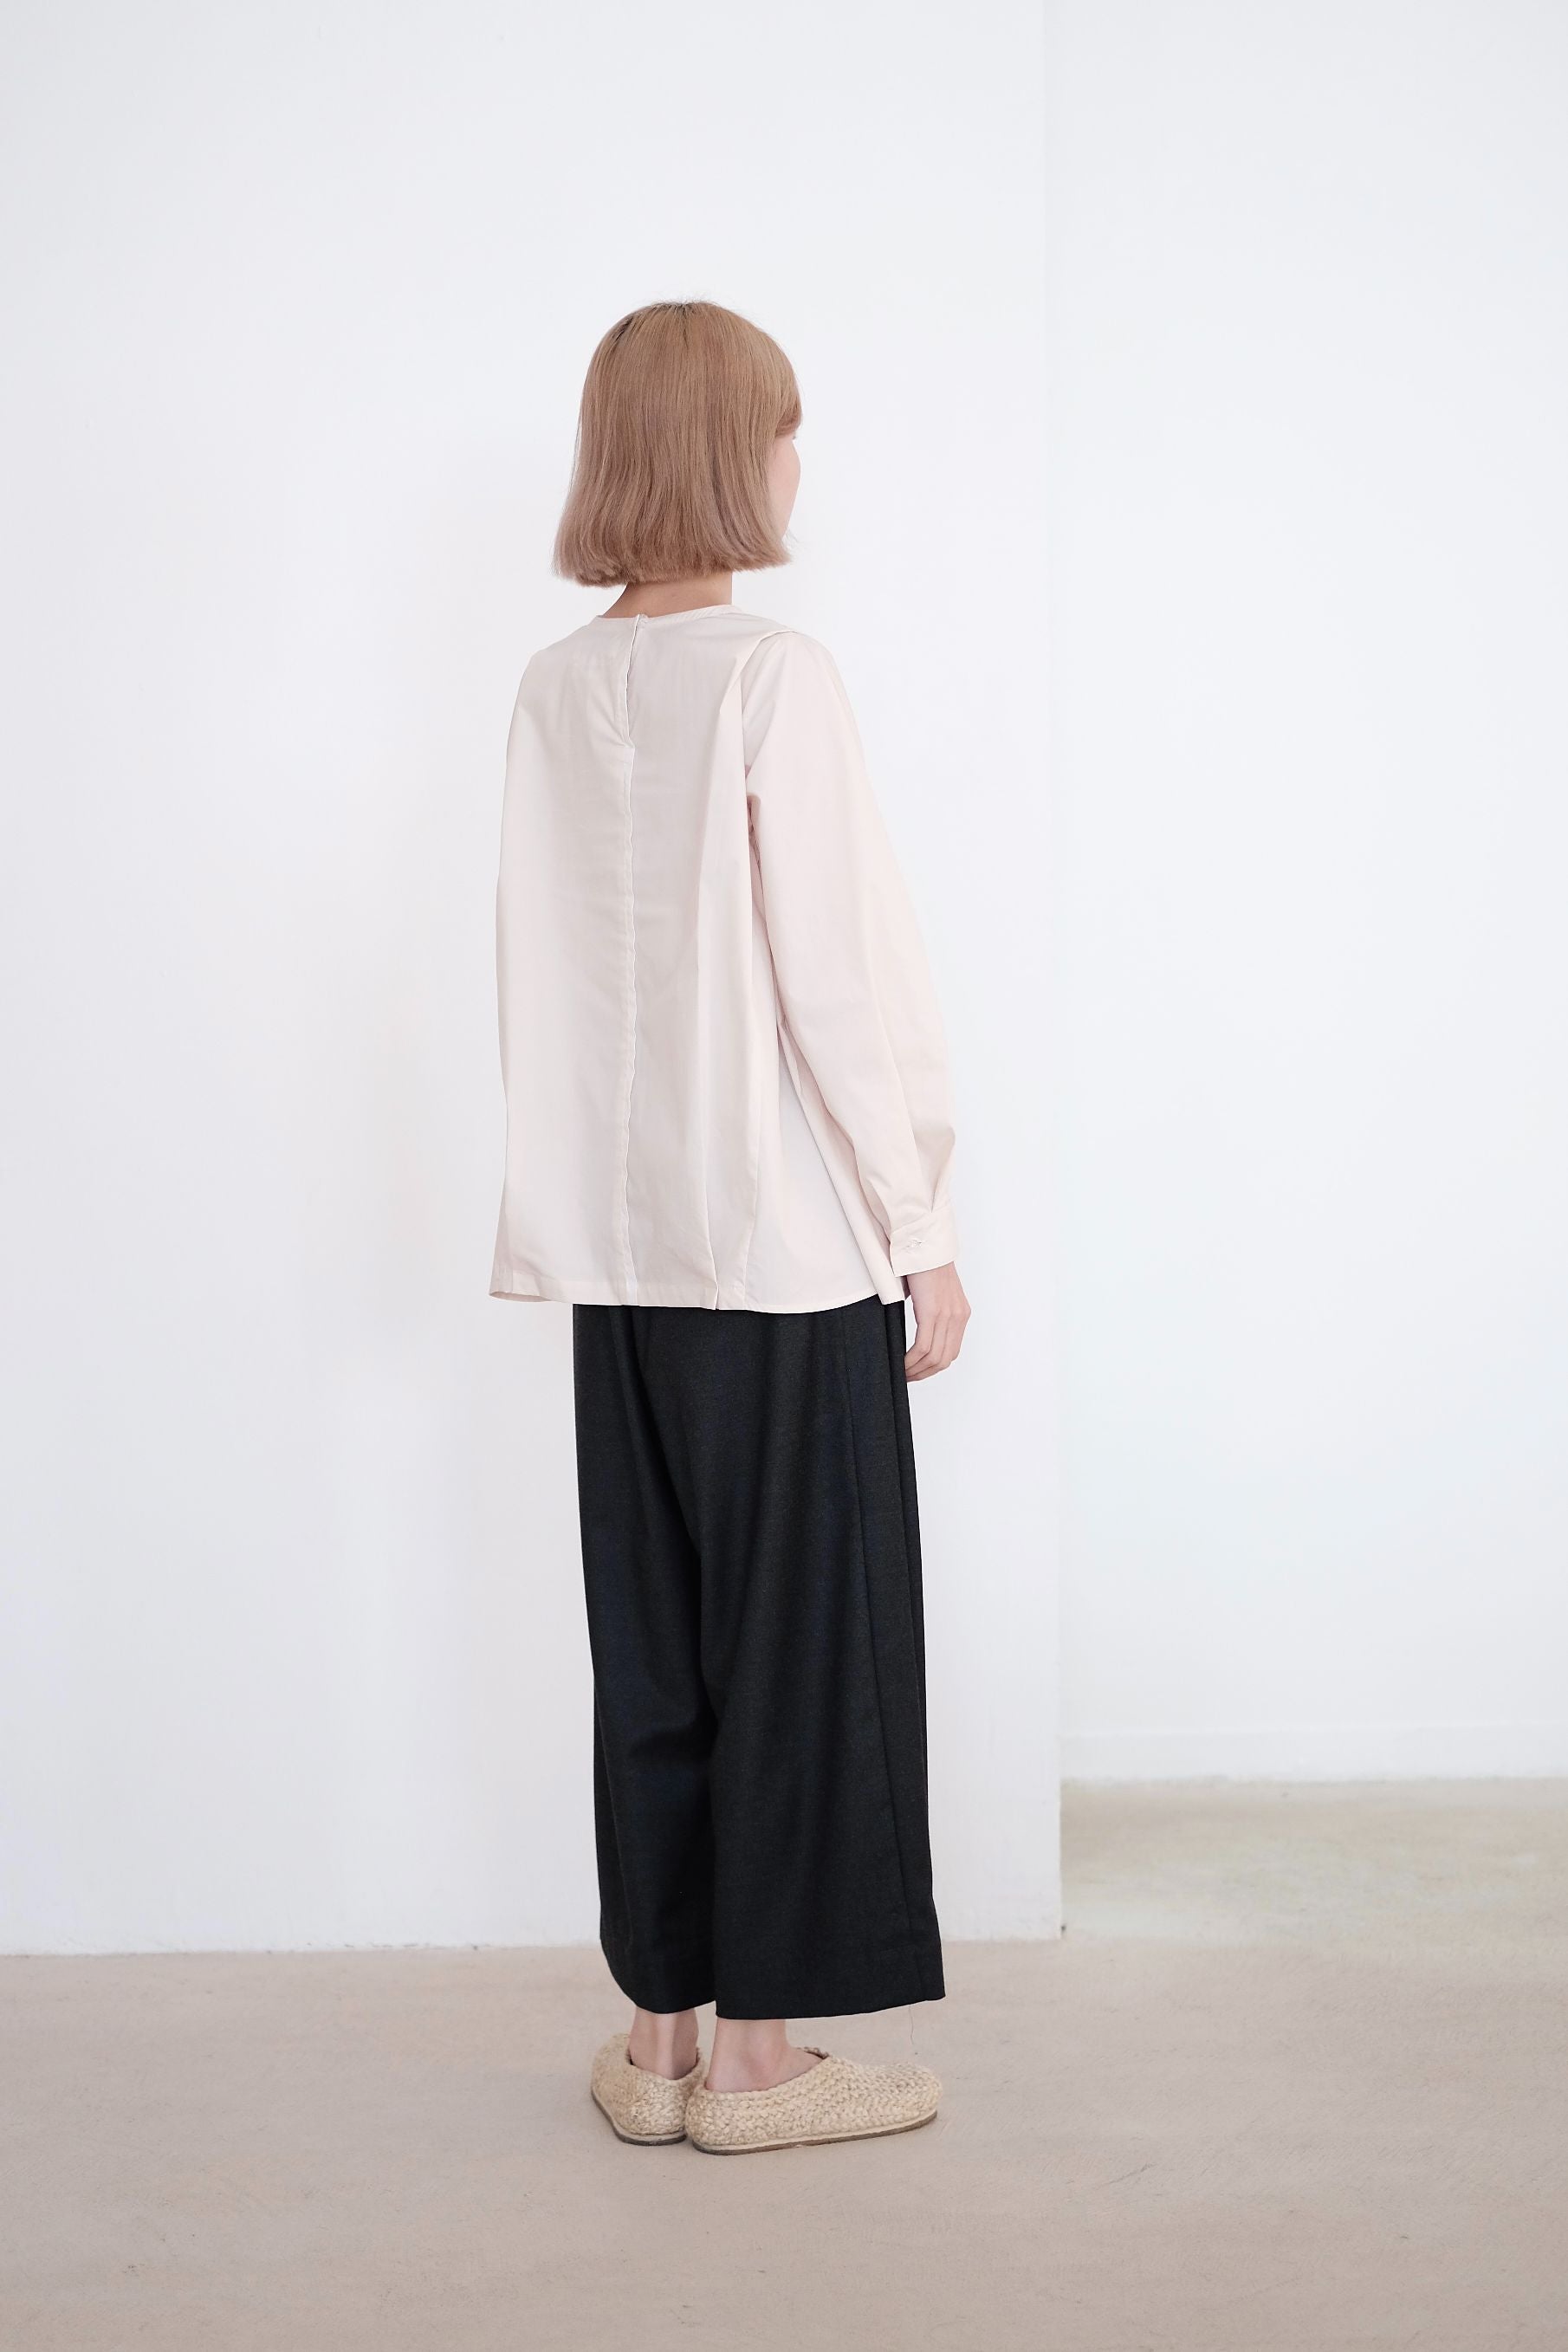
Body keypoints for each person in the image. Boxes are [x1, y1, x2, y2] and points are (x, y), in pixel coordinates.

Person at [491, 300, 969, 2155]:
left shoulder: (554, 687)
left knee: (656, 1647)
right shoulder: (772, 675)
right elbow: (840, 980)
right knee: (799, 1644)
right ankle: (761, 2066)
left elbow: (541, 974)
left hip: (615, 1258)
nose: (796, 459)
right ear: (729, 450)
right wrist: (917, 1223)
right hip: (775, 1256)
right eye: (782, 427)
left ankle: (658, 2036)